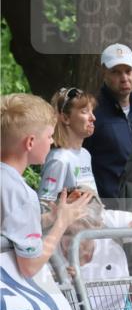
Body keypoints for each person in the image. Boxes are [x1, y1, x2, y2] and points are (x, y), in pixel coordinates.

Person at [1, 93, 93, 278]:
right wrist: (62, 222)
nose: (52, 141)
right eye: (50, 136)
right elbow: (30, 266)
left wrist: (50, 217)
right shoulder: (22, 194)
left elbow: (11, 223)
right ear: (30, 142)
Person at [83, 44, 132, 200]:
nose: (124, 78)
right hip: (107, 206)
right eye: (115, 72)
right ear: (104, 72)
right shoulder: (92, 113)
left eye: (128, 71)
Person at [38, 88, 99, 203]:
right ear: (66, 118)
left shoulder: (85, 154)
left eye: (92, 111)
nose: (93, 118)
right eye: (85, 112)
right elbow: (44, 205)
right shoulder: (59, 159)